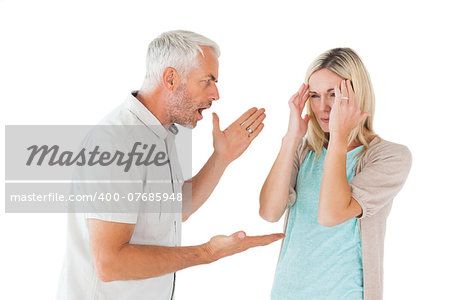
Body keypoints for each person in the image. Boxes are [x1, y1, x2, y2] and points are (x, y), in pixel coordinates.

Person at [56, 30, 284, 300]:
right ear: (171, 78)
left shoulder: (159, 134)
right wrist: (207, 253)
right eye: (207, 81)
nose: (216, 94)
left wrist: (221, 158)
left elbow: (177, 209)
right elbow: (110, 262)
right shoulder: (117, 142)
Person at [259, 48, 412, 300]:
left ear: (358, 95)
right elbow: (269, 212)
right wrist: (291, 138)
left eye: (334, 95)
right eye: (315, 96)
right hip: (286, 293)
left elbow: (331, 214)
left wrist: (340, 137)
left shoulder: (390, 157)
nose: (323, 107)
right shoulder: (303, 151)